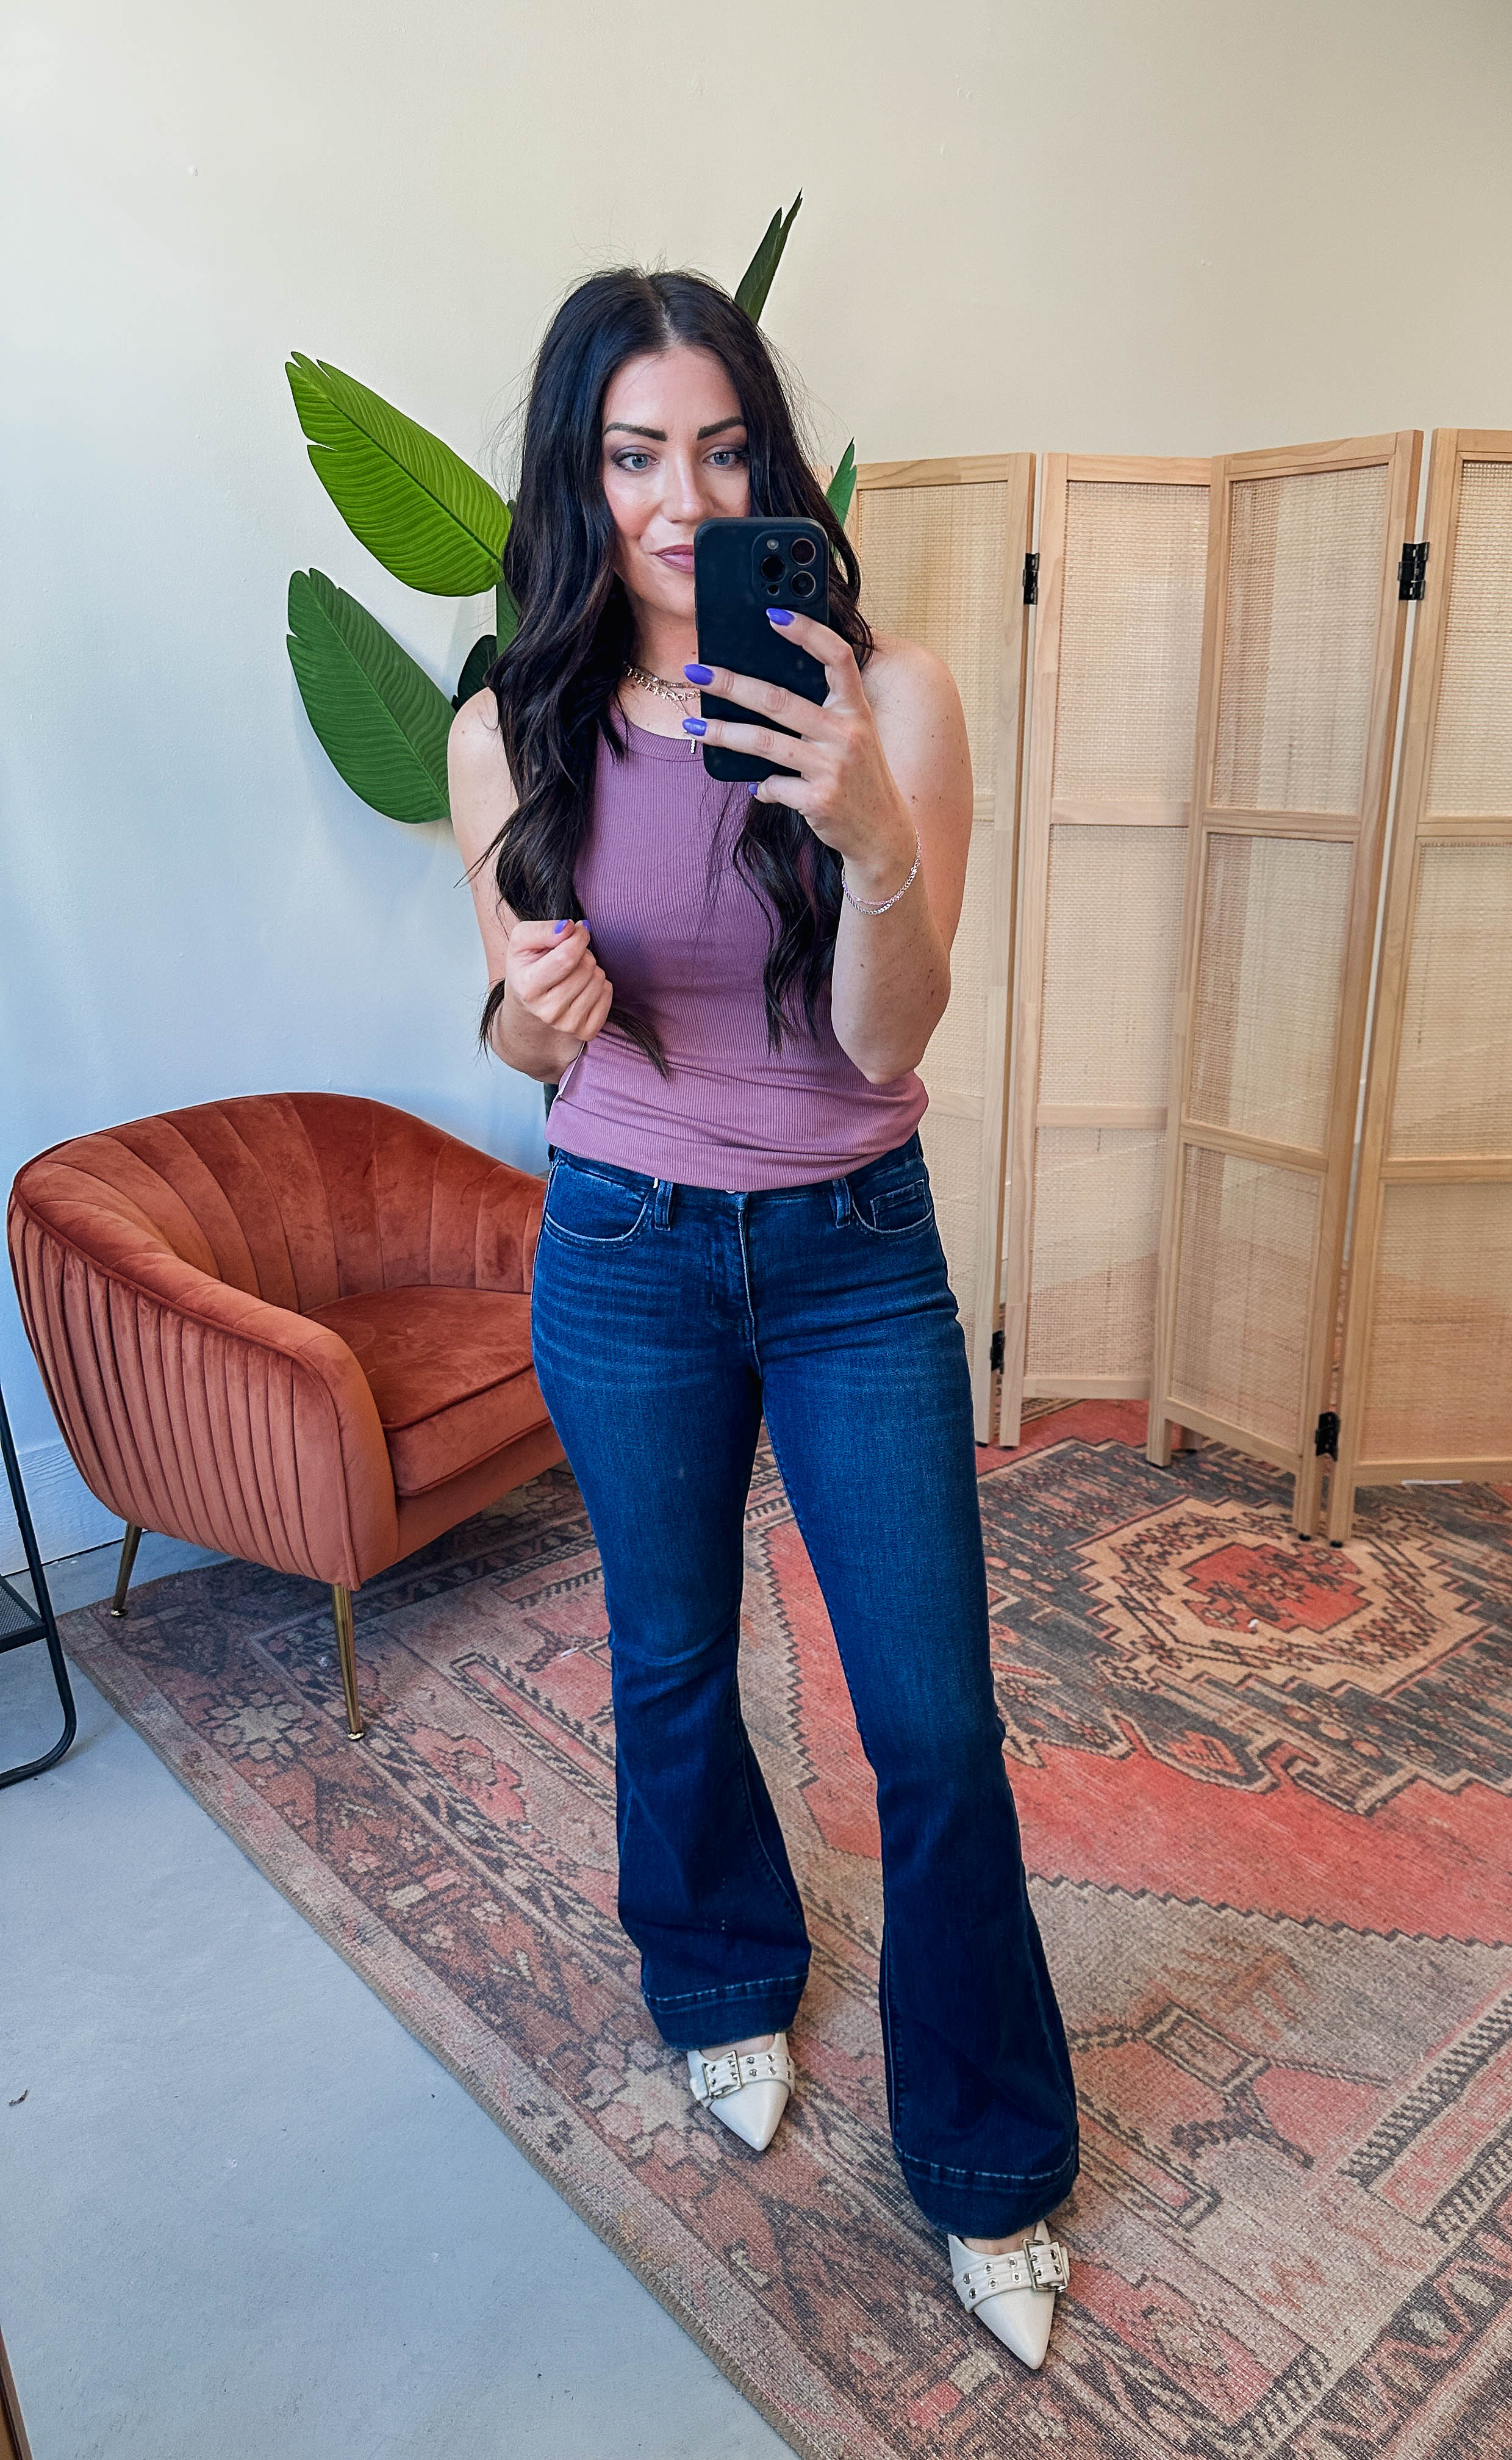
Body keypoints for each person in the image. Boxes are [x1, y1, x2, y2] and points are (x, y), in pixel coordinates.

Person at [448, 268, 1078, 2369]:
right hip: (623, 1251)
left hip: (851, 1259)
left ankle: (989, 2155)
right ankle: (720, 1971)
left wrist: (873, 839)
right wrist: (530, 1018)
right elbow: (525, 1039)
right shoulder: (508, 727)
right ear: (581, 473)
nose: (679, 499)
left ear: (771, 469)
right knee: (670, 1659)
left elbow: (890, 1042)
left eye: (722, 452)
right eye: (635, 455)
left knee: (934, 1728)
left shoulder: (890, 700)